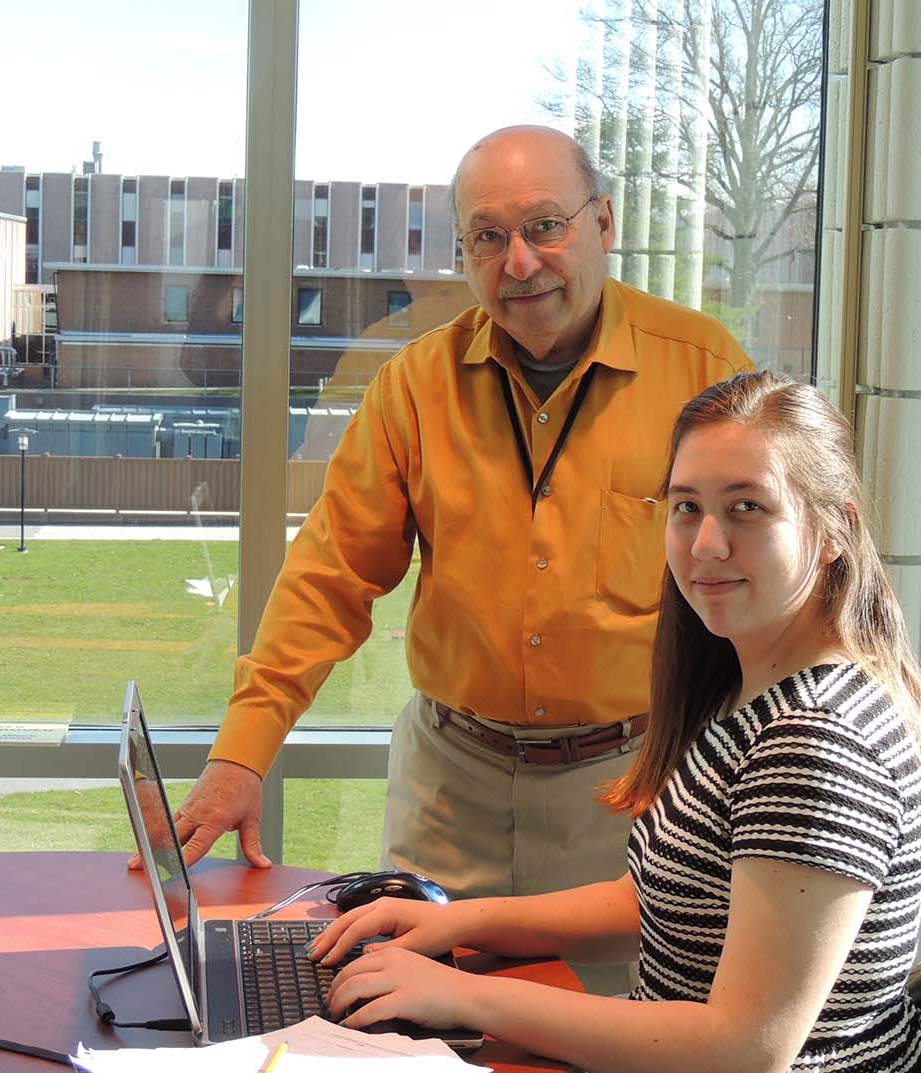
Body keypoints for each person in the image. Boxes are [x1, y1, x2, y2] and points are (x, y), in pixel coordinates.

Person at [141, 126, 753, 916]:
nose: (519, 262)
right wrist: (240, 757)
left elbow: (772, 582)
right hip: (449, 791)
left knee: (603, 1030)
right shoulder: (414, 386)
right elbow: (330, 578)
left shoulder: (706, 371)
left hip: (636, 788)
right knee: (415, 1025)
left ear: (603, 223)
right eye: (487, 238)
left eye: (544, 226)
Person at [304, 371, 921, 1073]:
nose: (707, 543)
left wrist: (465, 994)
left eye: (747, 507)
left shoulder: (816, 742)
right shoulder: (754, 690)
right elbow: (654, 897)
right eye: (687, 507)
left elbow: (744, 1051)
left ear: (836, 532)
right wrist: (458, 923)